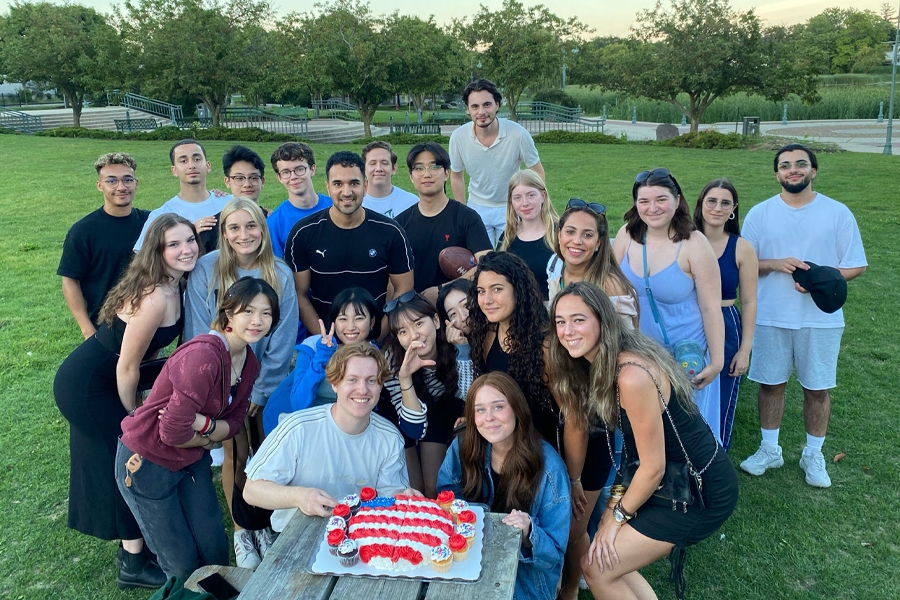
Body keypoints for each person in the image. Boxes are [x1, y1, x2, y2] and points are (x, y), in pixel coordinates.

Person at [549, 282, 738, 600]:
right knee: (604, 559)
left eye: (578, 319)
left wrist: (617, 516)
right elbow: (636, 453)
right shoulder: (605, 363)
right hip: (672, 480)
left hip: (698, 489)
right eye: (560, 321)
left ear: (603, 321)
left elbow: (652, 467)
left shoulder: (630, 375)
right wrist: (613, 506)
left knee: (597, 567)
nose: (567, 330)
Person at [54, 214, 199, 589]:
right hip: (89, 387)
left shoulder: (173, 284)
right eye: (174, 244)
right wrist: (134, 413)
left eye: (189, 240)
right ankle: (134, 564)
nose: (186, 250)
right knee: (127, 463)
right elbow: (127, 366)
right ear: (157, 250)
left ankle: (131, 549)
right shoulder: (154, 296)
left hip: (105, 377)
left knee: (114, 462)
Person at [116, 277, 276, 581]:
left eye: (266, 313)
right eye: (248, 311)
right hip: (145, 461)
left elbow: (232, 425)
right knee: (182, 564)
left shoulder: (250, 362)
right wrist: (208, 441)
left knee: (214, 550)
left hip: (190, 459)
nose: (257, 321)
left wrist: (204, 428)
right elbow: (171, 433)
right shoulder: (203, 357)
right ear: (229, 313)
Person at [739, 144, 867, 488]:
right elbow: (744, 264)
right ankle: (770, 449)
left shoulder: (837, 213)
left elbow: (856, 265)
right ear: (777, 173)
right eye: (785, 165)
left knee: (817, 389)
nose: (792, 170)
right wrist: (775, 264)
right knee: (770, 384)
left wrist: (820, 281)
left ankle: (813, 453)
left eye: (800, 164)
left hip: (820, 319)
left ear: (813, 170)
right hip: (770, 315)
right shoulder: (760, 214)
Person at [184, 198, 298, 567]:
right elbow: (199, 329)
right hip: (220, 380)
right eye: (234, 227)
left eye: (251, 226)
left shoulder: (279, 272)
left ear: (262, 230)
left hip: (265, 379)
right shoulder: (207, 269)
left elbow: (282, 336)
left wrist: (261, 388)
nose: (243, 234)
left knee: (268, 450)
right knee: (236, 449)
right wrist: (223, 386)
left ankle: (264, 521)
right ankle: (241, 531)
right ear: (224, 232)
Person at [243, 343, 416, 531]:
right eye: (352, 380)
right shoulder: (298, 427)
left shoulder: (390, 438)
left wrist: (403, 496)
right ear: (335, 384)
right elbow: (251, 490)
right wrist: (299, 497)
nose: (362, 389)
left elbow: (390, 498)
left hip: (361, 536)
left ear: (381, 386)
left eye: (371, 380)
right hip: (295, 535)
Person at [613, 168, 724, 443]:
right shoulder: (626, 235)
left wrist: (718, 361)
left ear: (677, 200)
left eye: (661, 199)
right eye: (644, 201)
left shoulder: (695, 244)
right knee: (643, 431)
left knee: (686, 436)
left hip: (684, 356)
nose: (652, 208)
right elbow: (609, 288)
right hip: (637, 353)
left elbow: (711, 307)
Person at [437, 372, 570, 600]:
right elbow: (446, 497)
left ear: (517, 409)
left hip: (524, 576)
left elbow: (554, 554)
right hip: (470, 559)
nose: (488, 417)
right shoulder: (462, 448)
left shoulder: (549, 468)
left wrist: (529, 532)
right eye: (480, 409)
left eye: (498, 407)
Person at [284, 151, 415, 334]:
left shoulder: (391, 232)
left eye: (354, 183)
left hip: (378, 339)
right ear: (328, 188)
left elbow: (404, 290)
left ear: (365, 186)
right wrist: (325, 341)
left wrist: (377, 339)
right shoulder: (303, 233)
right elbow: (299, 295)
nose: (346, 192)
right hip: (324, 341)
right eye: (338, 184)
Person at [467, 251, 562, 451]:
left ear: (518, 291)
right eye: (481, 291)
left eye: (497, 289)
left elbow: (574, 418)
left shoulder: (545, 345)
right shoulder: (487, 337)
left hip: (545, 452)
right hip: (503, 448)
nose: (486, 300)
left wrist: (572, 477)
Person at [380, 292, 469, 498]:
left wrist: (463, 351)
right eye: (403, 331)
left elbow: (468, 398)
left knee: (433, 488)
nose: (414, 336)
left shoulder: (455, 346)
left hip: (441, 410)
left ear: (436, 321)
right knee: (415, 489)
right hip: (401, 416)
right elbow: (413, 429)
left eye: (419, 324)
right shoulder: (393, 359)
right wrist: (405, 377)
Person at [693, 179, 758, 451]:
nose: (717, 208)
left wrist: (745, 350)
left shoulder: (741, 247)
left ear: (733, 208)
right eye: (712, 201)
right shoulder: (685, 240)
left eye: (725, 203)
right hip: (691, 321)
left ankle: (715, 461)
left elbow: (750, 301)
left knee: (720, 395)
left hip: (726, 322)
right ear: (701, 204)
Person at [263, 287, 383, 434]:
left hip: (335, 427)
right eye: (343, 319)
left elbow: (368, 406)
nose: (351, 327)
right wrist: (323, 356)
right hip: (289, 422)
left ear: (372, 322)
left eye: (359, 318)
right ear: (334, 323)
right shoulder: (313, 346)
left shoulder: (373, 355)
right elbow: (299, 405)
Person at [59, 152, 149, 338]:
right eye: (112, 181)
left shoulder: (151, 222)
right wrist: (87, 330)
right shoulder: (83, 231)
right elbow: (70, 281)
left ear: (136, 183)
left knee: (149, 368)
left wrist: (215, 196)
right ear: (99, 186)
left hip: (147, 322)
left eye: (127, 180)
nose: (121, 187)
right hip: (103, 326)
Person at [450, 79, 544, 246]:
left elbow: (537, 172)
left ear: (497, 105)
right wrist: (462, 211)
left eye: (487, 105)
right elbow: (456, 176)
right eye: (475, 106)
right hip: (476, 207)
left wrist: (532, 204)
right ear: (467, 109)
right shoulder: (458, 137)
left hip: (511, 207)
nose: (481, 112)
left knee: (512, 262)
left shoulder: (518, 134)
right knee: (481, 263)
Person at [395, 142, 492, 294]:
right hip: (416, 310)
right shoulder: (400, 225)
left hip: (461, 307)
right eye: (419, 168)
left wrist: (441, 291)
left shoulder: (467, 217)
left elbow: (487, 264)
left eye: (434, 167)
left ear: (447, 173)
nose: (427, 174)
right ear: (411, 177)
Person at [549, 199, 639, 329]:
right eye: (570, 232)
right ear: (559, 234)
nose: (577, 241)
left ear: (599, 243)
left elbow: (626, 340)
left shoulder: (609, 284)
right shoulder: (555, 265)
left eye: (587, 235)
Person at [134, 139, 232, 251]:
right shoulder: (161, 215)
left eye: (197, 159)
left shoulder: (229, 203)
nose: (191, 165)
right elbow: (146, 259)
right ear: (174, 170)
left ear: (208, 166)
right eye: (183, 161)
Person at [498, 169, 559, 301]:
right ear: (511, 202)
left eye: (531, 195)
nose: (525, 203)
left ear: (543, 196)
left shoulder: (559, 234)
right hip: (519, 312)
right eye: (517, 198)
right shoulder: (507, 238)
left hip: (553, 310)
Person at [266, 142, 332, 258]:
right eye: (286, 172)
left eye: (299, 169)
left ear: (312, 169)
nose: (293, 177)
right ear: (279, 177)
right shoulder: (274, 224)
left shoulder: (335, 206)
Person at [361, 140, 418, 218]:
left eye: (384, 163)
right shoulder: (354, 204)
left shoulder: (412, 203)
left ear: (394, 169)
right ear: (363, 169)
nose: (378, 168)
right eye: (373, 163)